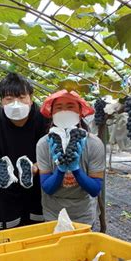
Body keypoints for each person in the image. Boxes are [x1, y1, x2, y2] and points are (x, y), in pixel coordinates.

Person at [0, 73, 49, 230]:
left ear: (31, 98)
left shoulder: (44, 120)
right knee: (10, 232)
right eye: (9, 99)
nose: (16, 104)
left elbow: (51, 154)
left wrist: (36, 167)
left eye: (22, 97)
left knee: (40, 230)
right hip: (6, 191)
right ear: (1, 101)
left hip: (40, 188)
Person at [36, 90, 105, 225]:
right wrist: (61, 170)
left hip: (83, 214)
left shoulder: (94, 143)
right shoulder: (44, 144)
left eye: (70, 106)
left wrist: (76, 170)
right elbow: (47, 188)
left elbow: (95, 189)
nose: (64, 112)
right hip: (53, 214)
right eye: (59, 108)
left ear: (80, 112)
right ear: (52, 114)